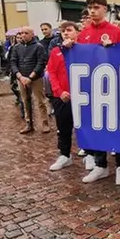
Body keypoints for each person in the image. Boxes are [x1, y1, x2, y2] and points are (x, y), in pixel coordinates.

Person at [74, 0, 120, 184]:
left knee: (117, 126)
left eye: (96, 7)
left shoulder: (116, 31)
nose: (92, 11)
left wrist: (113, 48)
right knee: (96, 125)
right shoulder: (83, 33)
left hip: (113, 86)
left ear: (105, 9)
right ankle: (101, 165)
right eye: (90, 7)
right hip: (92, 87)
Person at [47, 21, 80, 171]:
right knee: (63, 127)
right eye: (63, 31)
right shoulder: (56, 51)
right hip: (62, 97)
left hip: (81, 96)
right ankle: (65, 155)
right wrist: (59, 92)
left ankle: (92, 154)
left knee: (84, 126)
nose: (65, 33)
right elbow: (51, 73)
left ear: (77, 32)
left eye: (69, 30)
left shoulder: (84, 49)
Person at [10, 27, 50, 134]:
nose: (23, 35)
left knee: (40, 101)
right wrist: (19, 76)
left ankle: (44, 122)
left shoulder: (38, 47)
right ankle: (29, 123)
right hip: (21, 78)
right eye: (21, 33)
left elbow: (41, 63)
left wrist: (30, 77)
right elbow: (13, 62)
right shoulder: (17, 47)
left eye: (26, 33)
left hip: (36, 78)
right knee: (25, 101)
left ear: (32, 34)